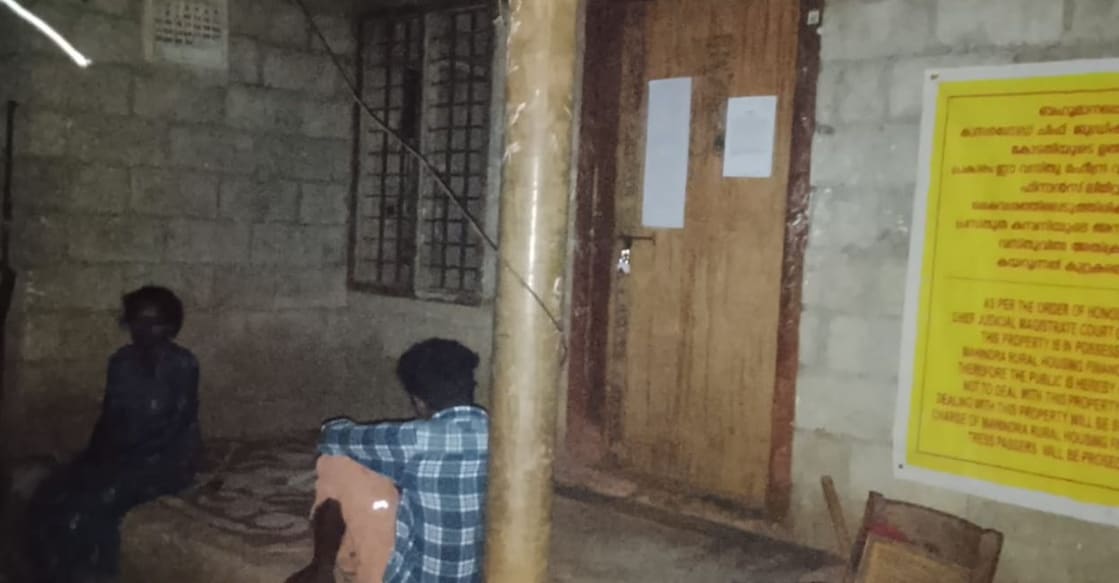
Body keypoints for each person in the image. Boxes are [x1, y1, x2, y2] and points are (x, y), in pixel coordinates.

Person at [26, 286, 201, 583]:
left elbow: (177, 427)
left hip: (167, 459)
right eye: (137, 321)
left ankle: (96, 575)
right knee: (53, 492)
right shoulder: (120, 362)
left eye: (154, 322)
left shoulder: (182, 364)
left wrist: (124, 460)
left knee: (90, 509)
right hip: (121, 453)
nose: (143, 330)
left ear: (171, 326)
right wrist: (93, 457)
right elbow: (108, 418)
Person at [286, 338, 489, 583]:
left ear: (419, 401)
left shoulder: (413, 439)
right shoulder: (500, 436)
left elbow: (332, 436)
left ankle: (321, 570)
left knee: (338, 462)